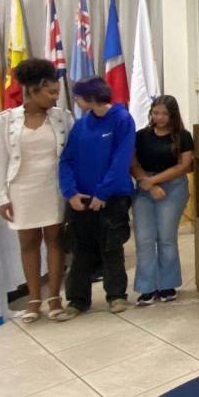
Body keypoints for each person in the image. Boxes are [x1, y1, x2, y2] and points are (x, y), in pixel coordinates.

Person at [0, 59, 74, 323]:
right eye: (50, 92)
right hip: (22, 188)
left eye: (57, 92)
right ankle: (33, 299)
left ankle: (55, 298)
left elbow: (72, 155)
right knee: (28, 243)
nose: (55, 97)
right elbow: (0, 160)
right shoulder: (8, 120)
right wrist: (2, 196)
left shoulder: (63, 118)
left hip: (53, 187)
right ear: (32, 90)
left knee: (55, 241)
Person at [59, 77, 136, 316]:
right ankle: (77, 300)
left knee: (111, 247)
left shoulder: (122, 119)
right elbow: (66, 160)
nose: (76, 101)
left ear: (90, 97)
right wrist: (70, 192)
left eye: (78, 97)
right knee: (80, 250)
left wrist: (103, 192)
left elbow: (121, 159)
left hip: (111, 198)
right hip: (81, 199)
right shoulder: (81, 125)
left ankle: (116, 295)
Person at [130, 95, 195, 306]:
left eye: (164, 114)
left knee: (166, 236)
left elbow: (183, 166)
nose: (159, 117)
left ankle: (168, 284)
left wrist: (155, 181)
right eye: (155, 113)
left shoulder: (183, 136)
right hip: (145, 187)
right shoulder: (141, 136)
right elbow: (133, 163)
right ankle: (147, 287)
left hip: (173, 186)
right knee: (144, 238)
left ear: (172, 115)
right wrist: (147, 183)